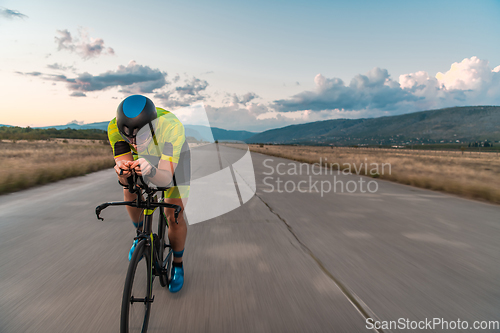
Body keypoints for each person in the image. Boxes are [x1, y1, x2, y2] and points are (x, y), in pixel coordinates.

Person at [107, 95, 190, 293]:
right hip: (145, 158)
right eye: (129, 138)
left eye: (140, 137)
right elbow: (125, 175)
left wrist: (152, 171)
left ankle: (177, 264)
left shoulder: (171, 127)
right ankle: (140, 235)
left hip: (173, 162)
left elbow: (164, 179)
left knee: (174, 214)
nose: (134, 144)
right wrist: (122, 174)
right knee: (130, 187)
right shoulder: (114, 128)